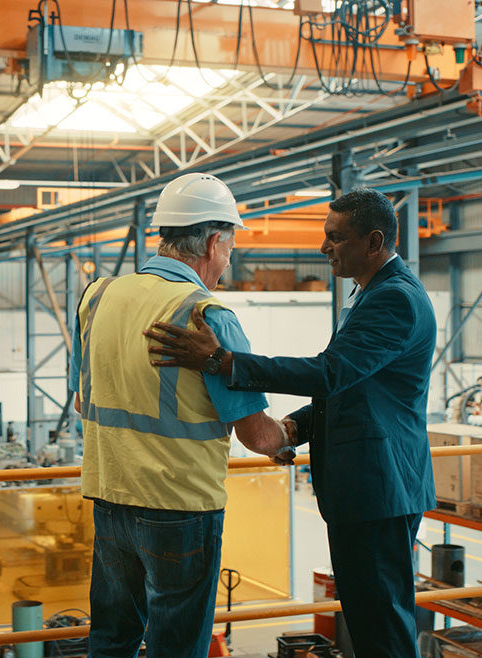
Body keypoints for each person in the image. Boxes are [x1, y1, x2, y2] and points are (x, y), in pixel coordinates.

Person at [145, 187, 436, 657]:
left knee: (382, 624)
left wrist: (225, 361)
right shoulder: (373, 293)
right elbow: (353, 390)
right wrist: (296, 429)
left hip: (379, 489)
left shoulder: (395, 300)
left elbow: (330, 372)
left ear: (374, 241)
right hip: (368, 489)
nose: (323, 249)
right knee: (369, 617)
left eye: (335, 238)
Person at [69, 172, 288, 658]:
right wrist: (294, 435)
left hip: (109, 498)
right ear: (213, 243)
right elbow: (257, 436)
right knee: (177, 647)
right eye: (229, 249)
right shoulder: (208, 315)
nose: (228, 263)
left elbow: (84, 402)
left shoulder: (98, 298)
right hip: (180, 510)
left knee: (110, 640)